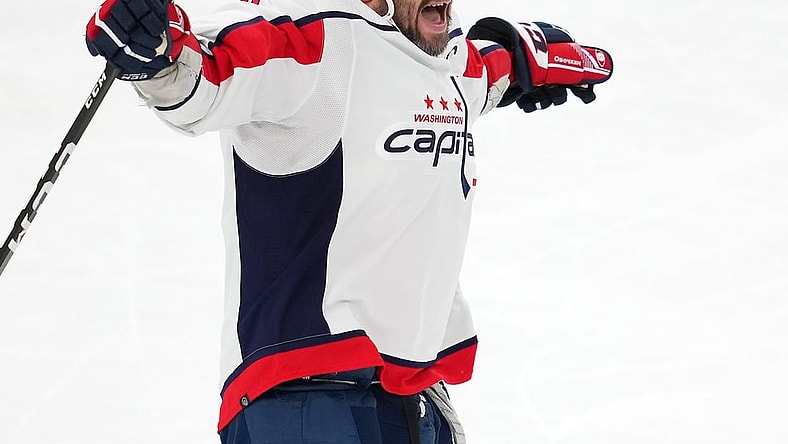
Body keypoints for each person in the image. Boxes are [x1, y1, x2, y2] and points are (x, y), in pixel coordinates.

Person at [84, 0, 612, 442]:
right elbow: (199, 80)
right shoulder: (311, 41)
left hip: (413, 399)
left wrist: (520, 53)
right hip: (303, 398)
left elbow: (482, 70)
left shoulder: (450, 62)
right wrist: (153, 48)